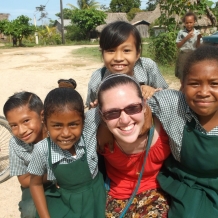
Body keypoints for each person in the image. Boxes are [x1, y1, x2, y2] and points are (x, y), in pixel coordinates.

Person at [147, 45, 218, 217]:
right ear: (182, 84)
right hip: (183, 184)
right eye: (194, 84)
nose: (203, 92)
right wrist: (144, 89)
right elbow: (133, 109)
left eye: (214, 84)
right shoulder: (173, 104)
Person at [97, 74, 171, 217]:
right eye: (112, 112)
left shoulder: (166, 126)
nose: (124, 120)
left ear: (144, 105)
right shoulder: (97, 136)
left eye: (132, 108)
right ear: (101, 115)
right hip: (116, 194)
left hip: (157, 191)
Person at [27, 87, 106, 218]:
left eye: (73, 124)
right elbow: (35, 183)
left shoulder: (89, 127)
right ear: (44, 120)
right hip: (66, 204)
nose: (66, 134)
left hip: (97, 197)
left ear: (83, 120)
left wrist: (105, 128)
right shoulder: (42, 149)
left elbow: (114, 104)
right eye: (57, 125)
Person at [86, 21, 168, 108]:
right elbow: (90, 107)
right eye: (111, 51)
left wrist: (153, 91)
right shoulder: (98, 78)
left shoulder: (148, 67)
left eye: (126, 51)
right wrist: (96, 108)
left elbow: (165, 98)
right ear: (102, 53)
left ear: (137, 53)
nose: (118, 58)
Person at [3, 92, 48, 218]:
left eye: (26, 121)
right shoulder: (15, 143)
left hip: (68, 179)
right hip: (37, 184)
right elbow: (24, 180)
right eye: (14, 125)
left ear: (42, 115)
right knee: (29, 211)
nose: (21, 131)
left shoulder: (56, 132)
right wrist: (55, 175)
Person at [175, 11, 202, 79]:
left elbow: (198, 47)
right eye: (187, 23)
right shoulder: (181, 33)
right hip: (183, 55)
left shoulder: (197, 33)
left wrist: (198, 39)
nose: (189, 24)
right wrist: (186, 38)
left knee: (193, 73)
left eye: (190, 22)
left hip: (194, 55)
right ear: (184, 23)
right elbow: (178, 45)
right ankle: (183, 88)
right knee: (182, 74)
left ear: (194, 22)